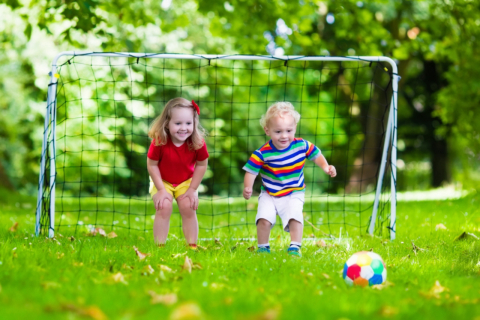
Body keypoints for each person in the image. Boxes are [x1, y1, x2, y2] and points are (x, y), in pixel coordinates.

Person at [242, 102, 336, 257]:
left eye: (289, 130)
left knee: (295, 216)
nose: (284, 135)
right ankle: (263, 247)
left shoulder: (302, 146)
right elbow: (251, 171)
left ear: (295, 128)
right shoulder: (262, 153)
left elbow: (316, 155)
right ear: (267, 130)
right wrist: (248, 187)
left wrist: (326, 167)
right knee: (263, 219)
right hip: (270, 194)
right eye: (278, 131)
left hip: (294, 192)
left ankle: (295, 246)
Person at [147, 98, 208, 249]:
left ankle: (192, 245)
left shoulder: (198, 142)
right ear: (167, 123)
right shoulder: (159, 141)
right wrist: (161, 190)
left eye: (188, 123)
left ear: (194, 123)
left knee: (188, 206)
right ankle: (160, 246)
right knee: (164, 206)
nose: (183, 128)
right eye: (178, 123)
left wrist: (193, 190)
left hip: (186, 181)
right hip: (162, 181)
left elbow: (202, 164)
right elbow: (152, 164)